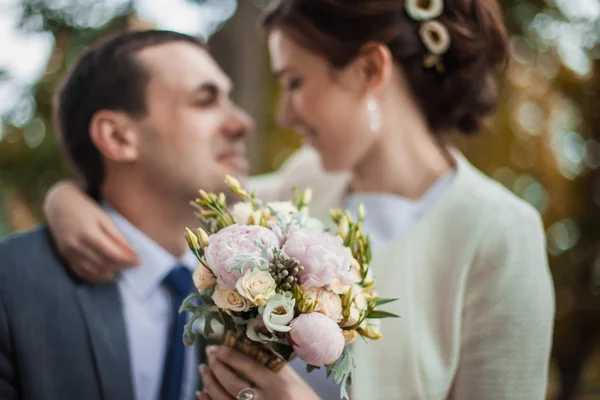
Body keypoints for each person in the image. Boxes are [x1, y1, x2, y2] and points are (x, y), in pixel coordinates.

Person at [43, 0, 556, 399]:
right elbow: (156, 206)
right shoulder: (297, 187)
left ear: (369, 71)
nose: (283, 114)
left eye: (294, 83)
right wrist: (67, 200)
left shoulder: (501, 233)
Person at [0, 29, 280, 400]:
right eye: (205, 101)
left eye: (228, 99)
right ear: (117, 137)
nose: (242, 123)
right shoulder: (11, 288)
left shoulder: (267, 277)